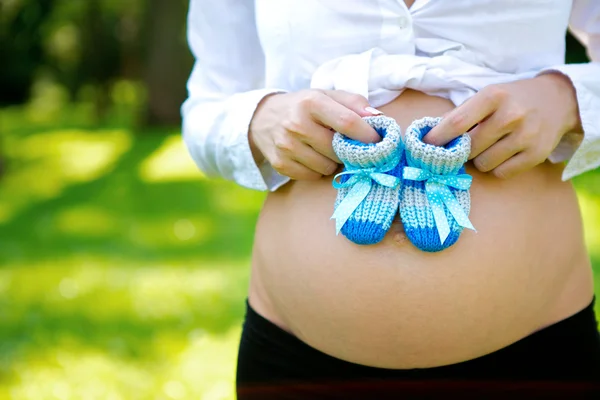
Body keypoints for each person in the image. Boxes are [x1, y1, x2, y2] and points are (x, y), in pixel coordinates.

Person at [182, 0, 600, 398]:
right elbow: (206, 107)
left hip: (535, 354)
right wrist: (259, 119)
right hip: (296, 360)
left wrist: (567, 99)